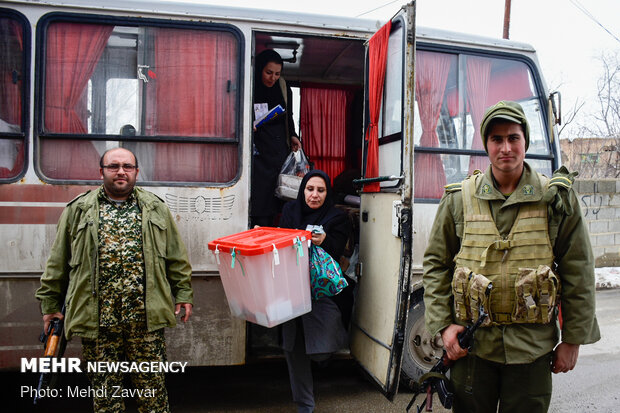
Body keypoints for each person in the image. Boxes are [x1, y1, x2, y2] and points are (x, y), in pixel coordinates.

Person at [423, 100, 600, 413]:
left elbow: (579, 272)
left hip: (531, 353)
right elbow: (436, 267)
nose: (505, 147)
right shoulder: (457, 201)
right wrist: (443, 326)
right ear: (486, 145)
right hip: (473, 351)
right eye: (496, 139)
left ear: (526, 142)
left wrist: (572, 340)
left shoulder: (555, 199)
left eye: (513, 138)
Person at [35, 147, 193, 413]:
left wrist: (184, 293)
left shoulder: (155, 208)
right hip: (98, 322)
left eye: (127, 167)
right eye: (113, 166)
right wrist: (50, 304)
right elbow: (57, 261)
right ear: (102, 172)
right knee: (106, 398)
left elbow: (176, 257)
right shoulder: (79, 209)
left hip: (145, 321)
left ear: (136, 172)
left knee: (153, 395)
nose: (121, 171)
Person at [279, 170, 352, 413]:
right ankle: (304, 406)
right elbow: (281, 241)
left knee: (321, 351)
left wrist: (324, 241)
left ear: (327, 193)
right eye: (310, 189)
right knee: (294, 348)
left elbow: (337, 249)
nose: (314, 195)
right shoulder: (290, 212)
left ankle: (324, 359)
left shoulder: (337, 217)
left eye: (320, 190)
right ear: (303, 191)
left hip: (321, 293)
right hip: (291, 289)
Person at [251, 49, 301, 227]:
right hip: (258, 150)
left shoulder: (282, 86)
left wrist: (294, 135)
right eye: (268, 72)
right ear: (259, 70)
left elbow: (289, 115)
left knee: (277, 197)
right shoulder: (250, 83)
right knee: (259, 200)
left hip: (278, 150)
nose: (272, 78)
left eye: (277, 74)